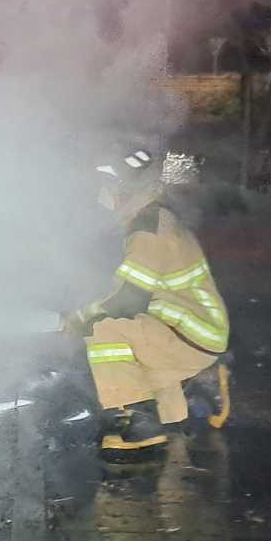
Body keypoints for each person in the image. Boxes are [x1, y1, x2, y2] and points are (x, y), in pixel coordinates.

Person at [67, 147, 231, 452]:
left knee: (103, 331)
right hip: (191, 331)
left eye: (108, 189)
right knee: (135, 362)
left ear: (125, 188)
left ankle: (138, 425)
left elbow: (129, 298)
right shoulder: (154, 219)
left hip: (191, 334)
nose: (105, 199)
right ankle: (175, 416)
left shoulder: (148, 229)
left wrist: (78, 318)